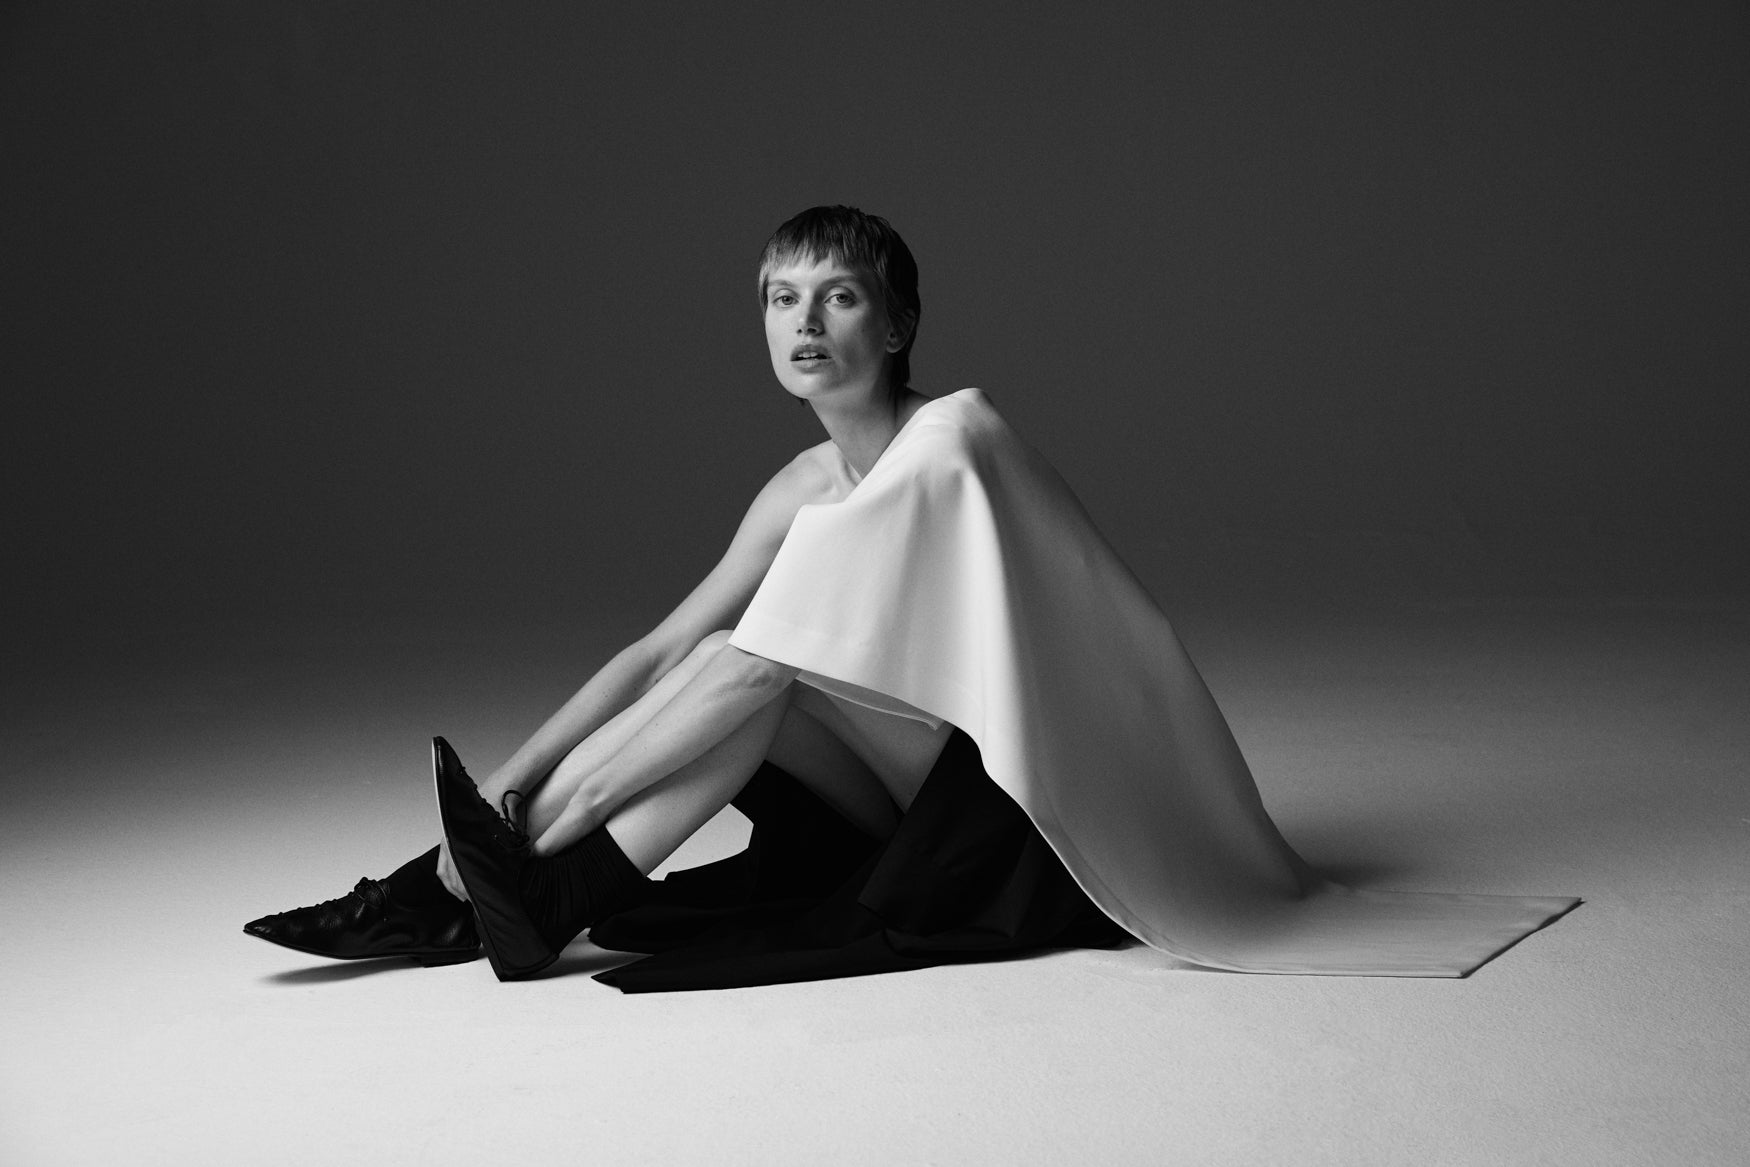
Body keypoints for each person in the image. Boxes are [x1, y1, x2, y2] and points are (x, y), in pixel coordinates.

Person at [247, 206, 1575, 989]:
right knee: (736, 664)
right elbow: (658, 644)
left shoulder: (955, 442)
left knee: (759, 662)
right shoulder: (798, 481)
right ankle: (505, 890)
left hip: (1014, 814)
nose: (804, 320)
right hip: (893, 773)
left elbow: (776, 653)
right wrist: (506, 778)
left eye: (838, 296)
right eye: (779, 298)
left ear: (898, 323)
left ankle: (482, 883)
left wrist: (510, 813)